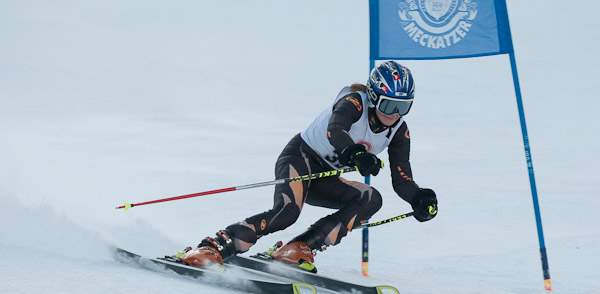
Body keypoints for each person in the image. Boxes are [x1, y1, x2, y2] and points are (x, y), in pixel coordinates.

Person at [180, 60, 438, 272]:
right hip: (300, 158)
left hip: (326, 177)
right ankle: (213, 247)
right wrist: (356, 154)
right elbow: (335, 131)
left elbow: (402, 178)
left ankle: (299, 247)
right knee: (287, 212)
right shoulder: (354, 103)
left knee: (370, 198)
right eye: (389, 104)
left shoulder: (399, 131)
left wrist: (419, 198)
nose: (394, 114)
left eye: (403, 107)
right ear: (373, 97)